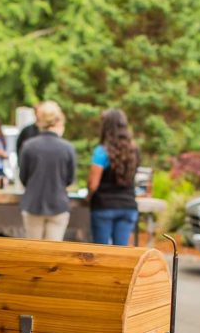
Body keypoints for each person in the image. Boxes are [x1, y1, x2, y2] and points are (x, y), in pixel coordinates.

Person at [18, 101, 76, 241]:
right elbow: (69, 179)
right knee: (52, 253)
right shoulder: (67, 148)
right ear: (59, 122)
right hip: (58, 205)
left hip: (33, 204)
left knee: (33, 252)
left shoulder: (28, 146)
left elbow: (23, 177)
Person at [87, 108, 140, 246]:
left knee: (101, 254)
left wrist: (88, 196)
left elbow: (93, 184)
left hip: (103, 207)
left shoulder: (101, 151)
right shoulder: (134, 150)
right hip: (128, 206)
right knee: (120, 254)